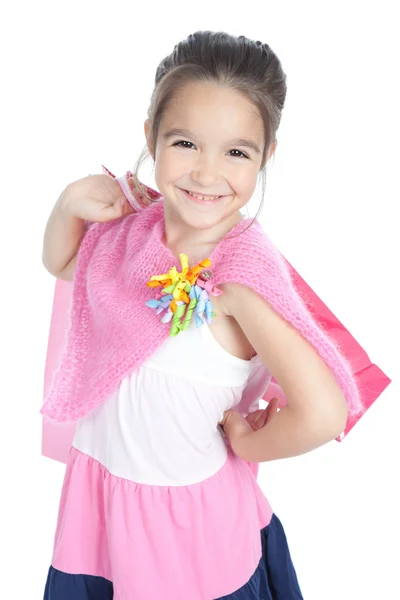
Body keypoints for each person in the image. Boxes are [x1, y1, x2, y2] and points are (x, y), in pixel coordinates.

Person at [41, 30, 363, 599]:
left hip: (186, 530)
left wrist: (247, 442)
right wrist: (69, 202)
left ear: (266, 157)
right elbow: (66, 264)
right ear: (152, 137)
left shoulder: (241, 280)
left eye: (236, 151)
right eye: (186, 143)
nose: (207, 173)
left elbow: (322, 412)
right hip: (102, 501)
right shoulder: (131, 232)